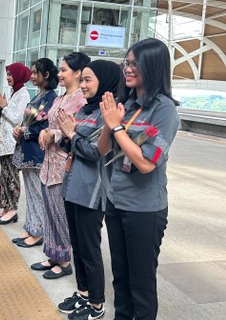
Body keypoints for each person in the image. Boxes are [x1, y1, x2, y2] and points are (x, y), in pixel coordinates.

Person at [97, 38, 180, 320]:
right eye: (127, 63)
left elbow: (146, 163)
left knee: (141, 283)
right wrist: (110, 124)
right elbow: (103, 149)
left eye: (135, 64)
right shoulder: (128, 104)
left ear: (152, 66)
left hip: (145, 210)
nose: (128, 70)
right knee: (120, 278)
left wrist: (116, 125)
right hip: (116, 202)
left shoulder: (164, 110)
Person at [56, 60, 122, 320]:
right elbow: (70, 145)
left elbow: (95, 153)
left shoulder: (108, 113)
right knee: (77, 245)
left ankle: (96, 303)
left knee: (90, 248)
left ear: (104, 81)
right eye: (81, 80)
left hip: (92, 191)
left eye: (88, 80)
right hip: (72, 186)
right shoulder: (85, 110)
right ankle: (83, 292)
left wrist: (72, 135)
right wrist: (65, 135)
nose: (82, 85)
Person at [32, 52, 90, 279]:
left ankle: (65, 260)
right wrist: (45, 132)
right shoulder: (59, 99)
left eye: (64, 70)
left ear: (77, 73)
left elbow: (77, 129)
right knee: (49, 211)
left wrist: (52, 134)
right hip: (48, 163)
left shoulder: (80, 100)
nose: (59, 74)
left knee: (60, 214)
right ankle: (53, 254)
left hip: (63, 165)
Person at [10, 58, 58, 244]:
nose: (31, 76)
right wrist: (20, 129)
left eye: (35, 72)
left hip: (38, 153)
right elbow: (29, 121)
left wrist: (26, 130)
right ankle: (31, 227)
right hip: (28, 151)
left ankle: (38, 232)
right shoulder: (38, 96)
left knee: (38, 193)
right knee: (31, 193)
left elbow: (46, 126)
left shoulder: (51, 99)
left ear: (46, 75)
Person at [0, 62, 31, 224]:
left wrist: (4, 106)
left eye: (10, 74)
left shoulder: (24, 95)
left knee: (12, 177)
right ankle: (5, 208)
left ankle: (12, 210)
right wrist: (4, 106)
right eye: (7, 74)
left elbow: (18, 119)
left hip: (14, 143)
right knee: (4, 176)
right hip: (5, 142)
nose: (8, 78)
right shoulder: (15, 93)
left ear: (19, 75)